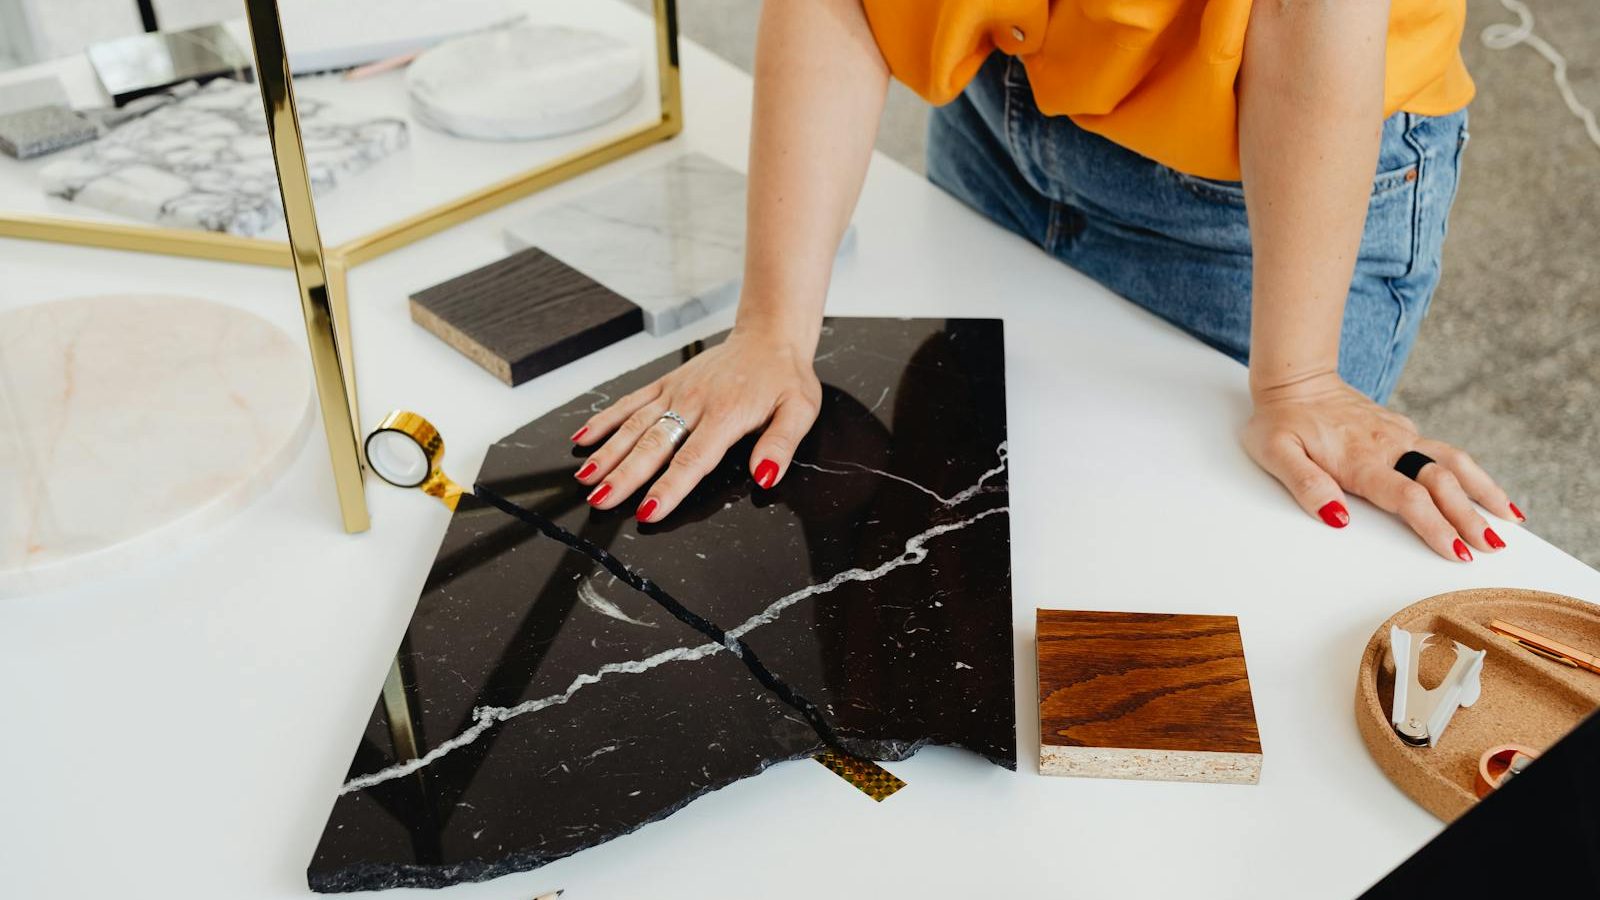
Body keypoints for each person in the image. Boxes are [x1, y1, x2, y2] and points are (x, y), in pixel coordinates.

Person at [566, 0, 1525, 563]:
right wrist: (773, 328)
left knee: (1198, 580)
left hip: (1256, 169)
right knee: (968, 534)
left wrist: (1301, 381)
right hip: (1000, 112)